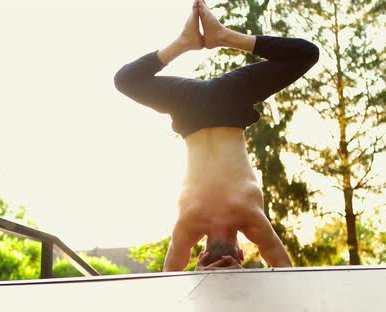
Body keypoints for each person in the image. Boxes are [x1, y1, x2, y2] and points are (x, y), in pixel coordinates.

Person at [114, 0, 319, 271]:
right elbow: (167, 280)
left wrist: (238, 277)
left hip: (229, 101)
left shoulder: (251, 219)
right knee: (125, 80)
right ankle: (185, 42)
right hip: (189, 107)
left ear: (242, 254)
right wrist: (195, 277)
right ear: (200, 256)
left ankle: (224, 36)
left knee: (306, 54)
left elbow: (285, 271)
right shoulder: (188, 225)